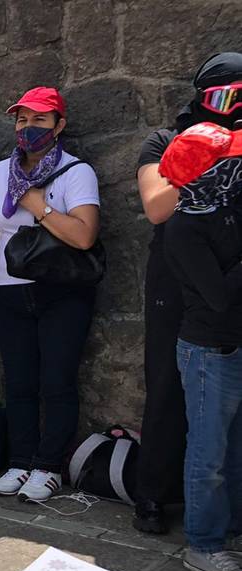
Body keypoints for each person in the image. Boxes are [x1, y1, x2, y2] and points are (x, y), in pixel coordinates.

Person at [133, 52, 242, 535]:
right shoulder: (166, 142)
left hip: (231, 280)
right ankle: (153, 497)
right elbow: (157, 206)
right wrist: (209, 155)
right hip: (176, 280)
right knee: (165, 386)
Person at [0, 87, 101, 503]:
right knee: (18, 382)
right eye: (21, 120)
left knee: (57, 381)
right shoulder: (0, 173)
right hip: (9, 291)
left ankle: (49, 467)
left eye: (39, 119)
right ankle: (21, 461)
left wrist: (38, 205)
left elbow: (85, 235)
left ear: (59, 125)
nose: (28, 127)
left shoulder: (75, 173)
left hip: (60, 291)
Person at [159, 122, 242, 571]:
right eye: (227, 161)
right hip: (210, 352)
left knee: (235, 451)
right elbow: (217, 296)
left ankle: (230, 532)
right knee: (208, 453)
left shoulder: (226, 208)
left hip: (234, 345)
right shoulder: (185, 227)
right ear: (208, 175)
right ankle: (204, 546)